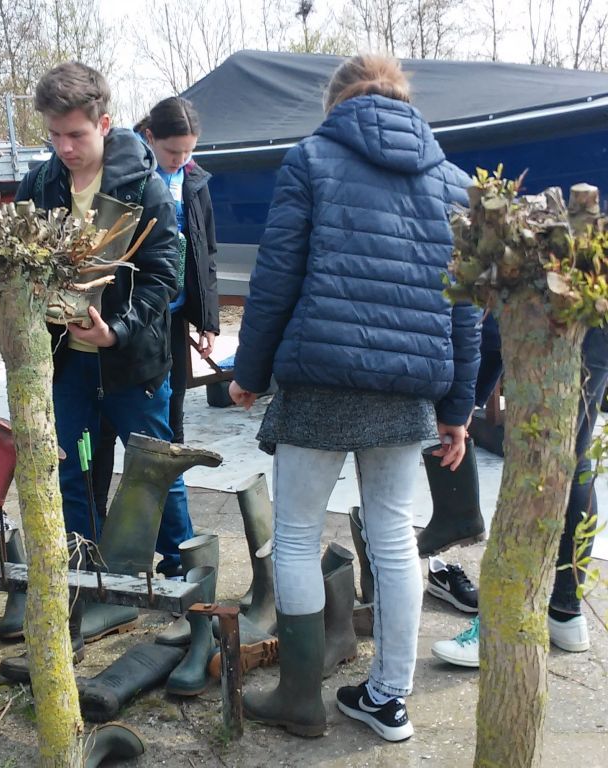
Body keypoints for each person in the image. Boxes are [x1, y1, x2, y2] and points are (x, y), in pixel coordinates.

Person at [228, 54, 481, 742]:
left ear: (336, 102)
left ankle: (300, 698)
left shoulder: (311, 159)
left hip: (319, 375)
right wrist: (457, 411)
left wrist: (249, 371)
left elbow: (276, 277)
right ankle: (390, 699)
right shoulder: (452, 181)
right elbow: (467, 310)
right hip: (408, 390)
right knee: (395, 537)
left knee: (297, 534)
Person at [13, 62, 194, 577]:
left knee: (155, 470)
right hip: (65, 363)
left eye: (76, 134)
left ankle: (183, 572)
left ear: (105, 124)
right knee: (71, 470)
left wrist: (117, 330)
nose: (64, 147)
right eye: (54, 135)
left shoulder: (145, 188)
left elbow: (164, 276)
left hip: (133, 363)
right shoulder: (39, 185)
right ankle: (87, 574)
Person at [432, 318, 608, 666]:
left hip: (555, 320)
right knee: (574, 458)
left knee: (537, 464)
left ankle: (503, 629)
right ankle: (565, 613)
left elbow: (499, 321)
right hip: (594, 316)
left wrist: (467, 401)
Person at [91, 96, 220, 517]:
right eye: (172, 152)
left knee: (171, 416)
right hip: (132, 315)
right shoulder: (126, 179)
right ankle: (102, 519)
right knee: (113, 424)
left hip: (174, 314)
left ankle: (166, 511)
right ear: (149, 138)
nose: (181, 160)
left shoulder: (195, 180)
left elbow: (204, 253)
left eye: (188, 152)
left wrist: (208, 319)